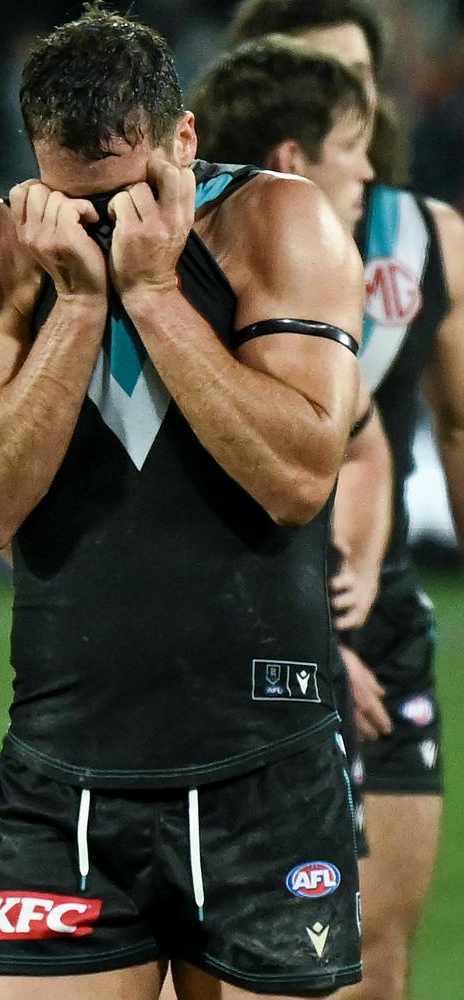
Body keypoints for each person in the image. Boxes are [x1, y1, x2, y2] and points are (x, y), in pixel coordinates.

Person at [0, 6, 367, 999]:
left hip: (264, 772)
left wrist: (156, 296)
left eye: (129, 195)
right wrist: (81, 305)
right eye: (74, 200)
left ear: (184, 139)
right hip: (63, 777)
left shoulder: (278, 221)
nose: (108, 223)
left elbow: (297, 476)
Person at [222, 5, 464, 1000]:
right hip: (243, 627)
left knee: (374, 968)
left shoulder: (426, 234)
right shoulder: (206, 245)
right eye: (326, 74)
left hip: (382, 616)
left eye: (361, 74)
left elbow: (452, 428)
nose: (352, 95)